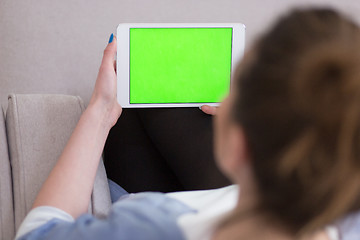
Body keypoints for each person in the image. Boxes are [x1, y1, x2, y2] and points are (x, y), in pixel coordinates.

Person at [15, 8, 360, 240]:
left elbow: (37, 233)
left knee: (134, 106)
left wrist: (100, 112)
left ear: (240, 142)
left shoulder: (153, 222)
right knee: (150, 104)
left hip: (194, 207)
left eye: (236, 92)